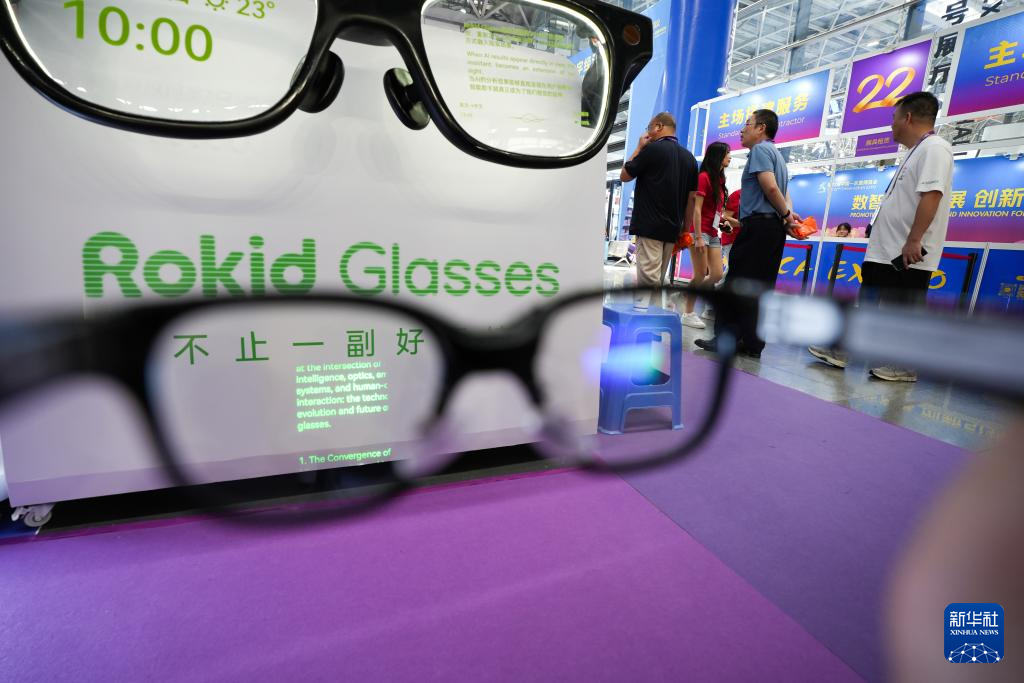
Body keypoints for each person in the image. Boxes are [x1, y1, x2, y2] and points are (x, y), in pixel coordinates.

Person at [809, 92, 952, 382]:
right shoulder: (916, 151)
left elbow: (932, 195)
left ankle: (905, 365)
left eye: (894, 118)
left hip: (907, 251)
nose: (892, 124)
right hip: (887, 248)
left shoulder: (935, 149)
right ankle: (843, 349)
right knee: (869, 302)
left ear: (907, 118)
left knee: (904, 309)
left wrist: (914, 239)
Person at [695, 109, 805, 358]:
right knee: (761, 288)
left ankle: (727, 339)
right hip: (773, 229)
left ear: (761, 128)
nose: (742, 130)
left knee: (736, 283)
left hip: (758, 227)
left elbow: (770, 187)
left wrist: (787, 215)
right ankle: (751, 342)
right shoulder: (778, 156)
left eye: (747, 124)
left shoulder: (760, 150)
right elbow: (783, 193)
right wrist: (787, 217)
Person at [620, 112, 699, 311]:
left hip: (649, 225)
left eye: (649, 128)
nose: (648, 133)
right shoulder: (689, 158)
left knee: (648, 281)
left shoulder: (651, 150)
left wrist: (639, 147)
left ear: (658, 126)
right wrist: (685, 229)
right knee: (657, 280)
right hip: (672, 229)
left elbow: (625, 175)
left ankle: (643, 319)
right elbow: (692, 198)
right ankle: (653, 321)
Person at [681, 142, 732, 330]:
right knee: (701, 273)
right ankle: (688, 313)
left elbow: (714, 211)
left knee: (717, 274)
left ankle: (688, 293)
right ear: (718, 156)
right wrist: (698, 236)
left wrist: (722, 223)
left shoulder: (720, 180)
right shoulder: (703, 177)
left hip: (713, 232)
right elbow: (697, 209)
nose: (730, 157)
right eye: (727, 154)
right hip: (700, 231)